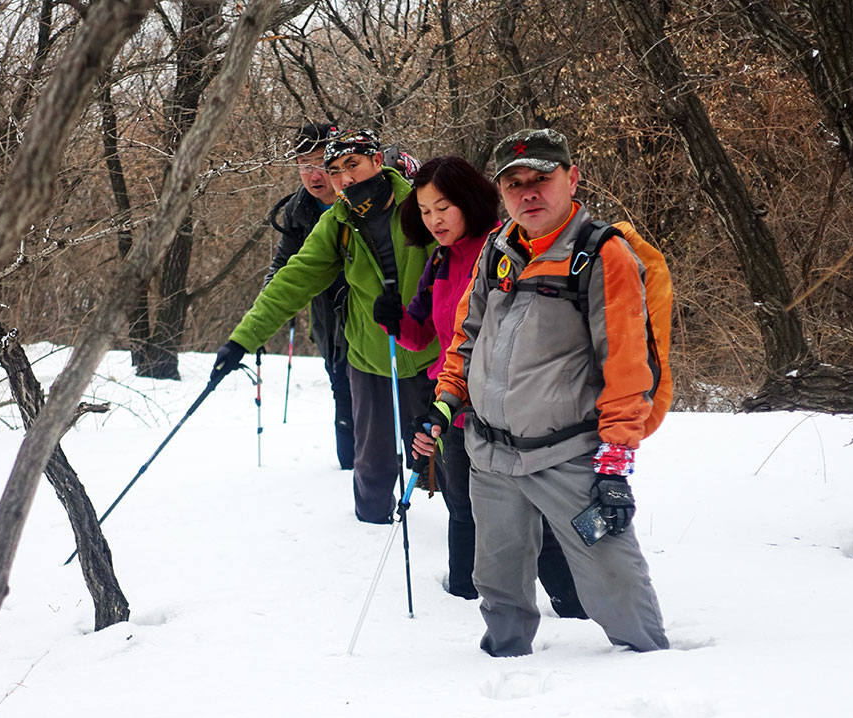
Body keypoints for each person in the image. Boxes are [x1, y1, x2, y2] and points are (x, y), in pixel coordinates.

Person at [411, 129, 668, 657]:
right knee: (498, 580)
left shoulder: (602, 255)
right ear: (501, 192)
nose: (529, 193)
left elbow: (626, 363)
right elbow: (467, 336)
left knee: (612, 576)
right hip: (489, 452)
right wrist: (446, 401)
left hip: (568, 454)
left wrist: (615, 461)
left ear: (571, 179)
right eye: (514, 183)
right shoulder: (499, 248)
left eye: (541, 179)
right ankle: (501, 664)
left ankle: (651, 667)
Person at [371, 156, 587, 617]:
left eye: (443, 207)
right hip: (451, 405)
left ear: (468, 200)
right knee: (461, 506)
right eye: (426, 211)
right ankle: (463, 600)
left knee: (534, 510)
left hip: (506, 407)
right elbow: (421, 336)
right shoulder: (441, 261)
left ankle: (574, 608)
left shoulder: (502, 249)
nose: (434, 221)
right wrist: (394, 320)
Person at [211, 129, 437, 524]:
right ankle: (368, 536)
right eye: (335, 171)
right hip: (369, 357)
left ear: (377, 161)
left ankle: (460, 553)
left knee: (444, 463)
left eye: (352, 165)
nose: (344, 179)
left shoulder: (420, 205)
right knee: (373, 465)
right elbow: (293, 279)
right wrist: (242, 340)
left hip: (429, 357)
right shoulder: (338, 222)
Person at [265, 122, 354, 470]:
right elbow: (283, 263)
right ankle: (349, 467)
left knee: (361, 385)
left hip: (366, 308)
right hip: (326, 312)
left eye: (320, 164)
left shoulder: (362, 199)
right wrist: (265, 313)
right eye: (304, 166)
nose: (313, 175)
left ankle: (377, 467)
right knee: (339, 381)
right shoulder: (298, 210)